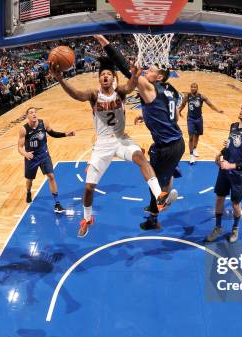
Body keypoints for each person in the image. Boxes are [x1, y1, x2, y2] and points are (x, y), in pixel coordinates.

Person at [51, 54, 177, 237]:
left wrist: (134, 76)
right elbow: (77, 95)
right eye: (102, 74)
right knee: (88, 188)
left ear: (113, 78)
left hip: (121, 139)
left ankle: (159, 198)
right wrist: (60, 79)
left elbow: (131, 85)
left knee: (141, 158)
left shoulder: (121, 93)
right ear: (99, 79)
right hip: (102, 145)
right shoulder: (94, 95)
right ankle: (87, 219)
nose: (105, 76)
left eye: (109, 74)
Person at [95, 35, 183, 230]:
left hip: (168, 146)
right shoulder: (171, 90)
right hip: (174, 142)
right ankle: (163, 196)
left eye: (150, 70)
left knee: (154, 183)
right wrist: (150, 116)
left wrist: (105, 43)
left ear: (159, 77)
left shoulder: (149, 87)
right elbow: (175, 117)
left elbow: (125, 68)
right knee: (162, 176)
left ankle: (157, 212)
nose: (146, 71)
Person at [206, 102, 242, 243]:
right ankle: (218, 227)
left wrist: (231, 165)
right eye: (241, 108)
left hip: (239, 175)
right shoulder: (233, 126)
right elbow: (231, 146)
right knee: (219, 197)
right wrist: (220, 152)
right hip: (225, 171)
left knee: (235, 203)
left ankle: (235, 228)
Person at [18, 107, 74, 211]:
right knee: (29, 180)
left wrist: (65, 134)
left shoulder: (43, 123)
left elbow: (52, 133)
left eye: (35, 112)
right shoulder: (23, 129)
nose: (34, 114)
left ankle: (57, 203)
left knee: (51, 176)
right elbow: (19, 148)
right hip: (31, 158)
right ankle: (29, 192)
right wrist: (25, 154)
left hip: (44, 155)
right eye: (31, 113)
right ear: (27, 116)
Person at [178, 83, 224, 165]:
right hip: (190, 119)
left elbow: (210, 105)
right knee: (191, 137)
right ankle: (191, 155)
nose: (193, 88)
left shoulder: (202, 97)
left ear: (197, 88)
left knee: (197, 135)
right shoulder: (187, 96)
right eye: (191, 87)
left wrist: (218, 110)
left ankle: (195, 148)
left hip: (199, 119)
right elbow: (183, 104)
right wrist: (179, 111)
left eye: (194, 87)